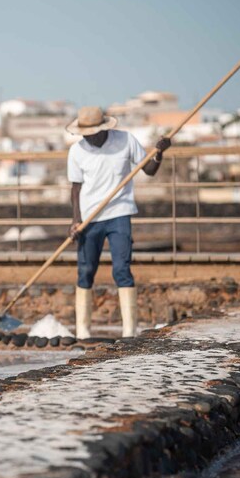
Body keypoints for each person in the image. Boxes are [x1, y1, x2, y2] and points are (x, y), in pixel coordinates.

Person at [66, 106, 170, 339]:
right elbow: (75, 188)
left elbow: (149, 170)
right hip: (90, 218)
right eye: (84, 134)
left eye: (92, 133)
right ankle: (83, 332)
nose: (88, 138)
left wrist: (159, 153)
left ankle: (129, 332)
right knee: (85, 270)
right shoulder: (77, 151)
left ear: (103, 129)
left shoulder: (125, 140)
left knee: (122, 269)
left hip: (119, 213)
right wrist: (76, 220)